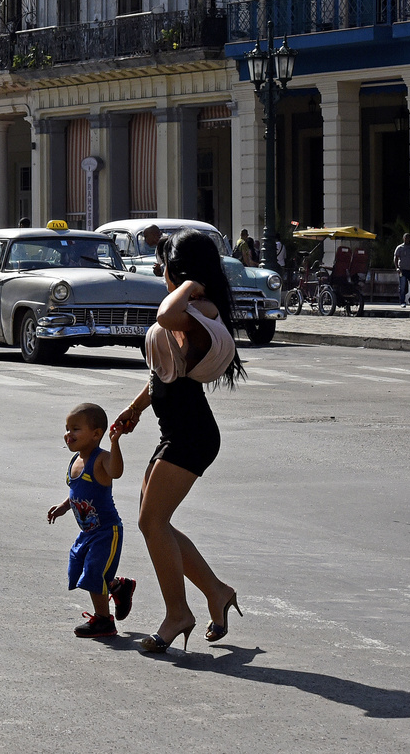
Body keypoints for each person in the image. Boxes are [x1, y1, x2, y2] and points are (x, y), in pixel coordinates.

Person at [111, 229, 244, 653]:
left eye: (162, 263)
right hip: (177, 431)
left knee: (152, 523)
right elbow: (162, 375)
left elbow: (166, 317)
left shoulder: (196, 307)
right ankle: (218, 593)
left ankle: (178, 614)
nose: (157, 271)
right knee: (156, 524)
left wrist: (186, 283)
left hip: (191, 435)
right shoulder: (192, 309)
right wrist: (134, 409)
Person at [47, 403, 137, 639]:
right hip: (88, 533)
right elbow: (78, 492)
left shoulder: (101, 459)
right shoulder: (75, 461)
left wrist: (115, 443)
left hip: (107, 531)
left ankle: (104, 621)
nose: (69, 434)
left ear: (96, 434)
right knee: (79, 567)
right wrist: (64, 506)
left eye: (76, 429)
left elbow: (116, 472)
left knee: (94, 573)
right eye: (67, 428)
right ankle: (118, 587)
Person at [393, 233, 410, 308]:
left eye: (409, 238)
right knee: (403, 286)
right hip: (402, 270)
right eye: (406, 238)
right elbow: (395, 258)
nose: (407, 239)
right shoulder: (400, 248)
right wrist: (397, 267)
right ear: (403, 239)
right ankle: (402, 301)